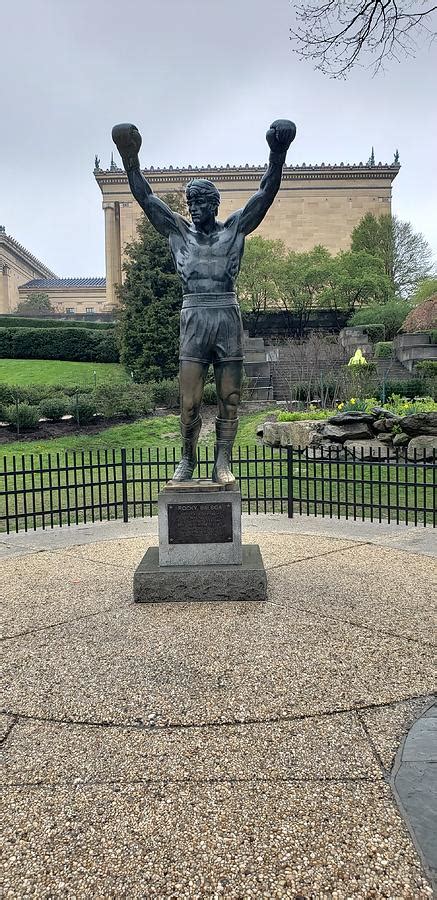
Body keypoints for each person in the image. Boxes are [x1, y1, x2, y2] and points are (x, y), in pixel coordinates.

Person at [112, 119, 296, 484]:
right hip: (194, 315)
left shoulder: (235, 230)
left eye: (200, 203)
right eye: (190, 202)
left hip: (227, 314)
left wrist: (277, 154)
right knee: (189, 401)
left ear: (214, 204)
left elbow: (266, 194)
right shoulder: (178, 231)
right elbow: (145, 198)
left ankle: (222, 463)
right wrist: (130, 158)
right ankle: (187, 459)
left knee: (230, 396)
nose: (194, 208)